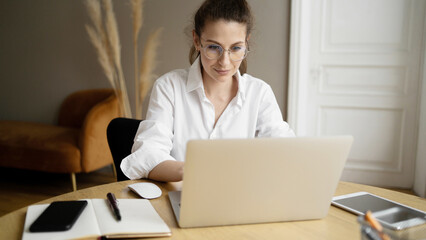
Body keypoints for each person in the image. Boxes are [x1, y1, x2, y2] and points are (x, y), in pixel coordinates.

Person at [121, 0, 295, 182]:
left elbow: (286, 152)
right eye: (213, 47)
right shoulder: (169, 87)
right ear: (197, 41)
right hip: (183, 198)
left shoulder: (259, 93)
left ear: (246, 43)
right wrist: (193, 170)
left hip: (241, 202)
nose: (225, 62)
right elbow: (148, 154)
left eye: (236, 48)